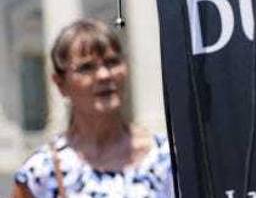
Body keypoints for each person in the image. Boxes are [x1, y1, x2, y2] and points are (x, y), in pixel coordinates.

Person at [12, 19, 172, 198]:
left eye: (112, 62)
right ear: (60, 83)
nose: (104, 75)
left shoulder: (168, 158)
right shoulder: (41, 174)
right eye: (86, 67)